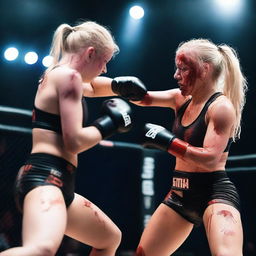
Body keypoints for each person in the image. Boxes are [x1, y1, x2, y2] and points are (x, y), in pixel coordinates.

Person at [0, 20, 147, 256]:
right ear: (90, 53)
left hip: (58, 178)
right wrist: (110, 124)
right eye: (105, 62)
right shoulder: (69, 77)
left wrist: (120, 86)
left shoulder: (60, 75)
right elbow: (75, 141)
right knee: (41, 249)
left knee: (109, 238)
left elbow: (94, 88)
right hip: (46, 177)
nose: (105, 70)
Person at [134, 38, 247, 256]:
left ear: (205, 69)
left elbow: (210, 158)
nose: (177, 75)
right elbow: (143, 98)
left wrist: (167, 141)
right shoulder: (180, 99)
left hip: (213, 193)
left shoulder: (220, 107)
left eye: (183, 69)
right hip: (180, 194)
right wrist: (99, 85)